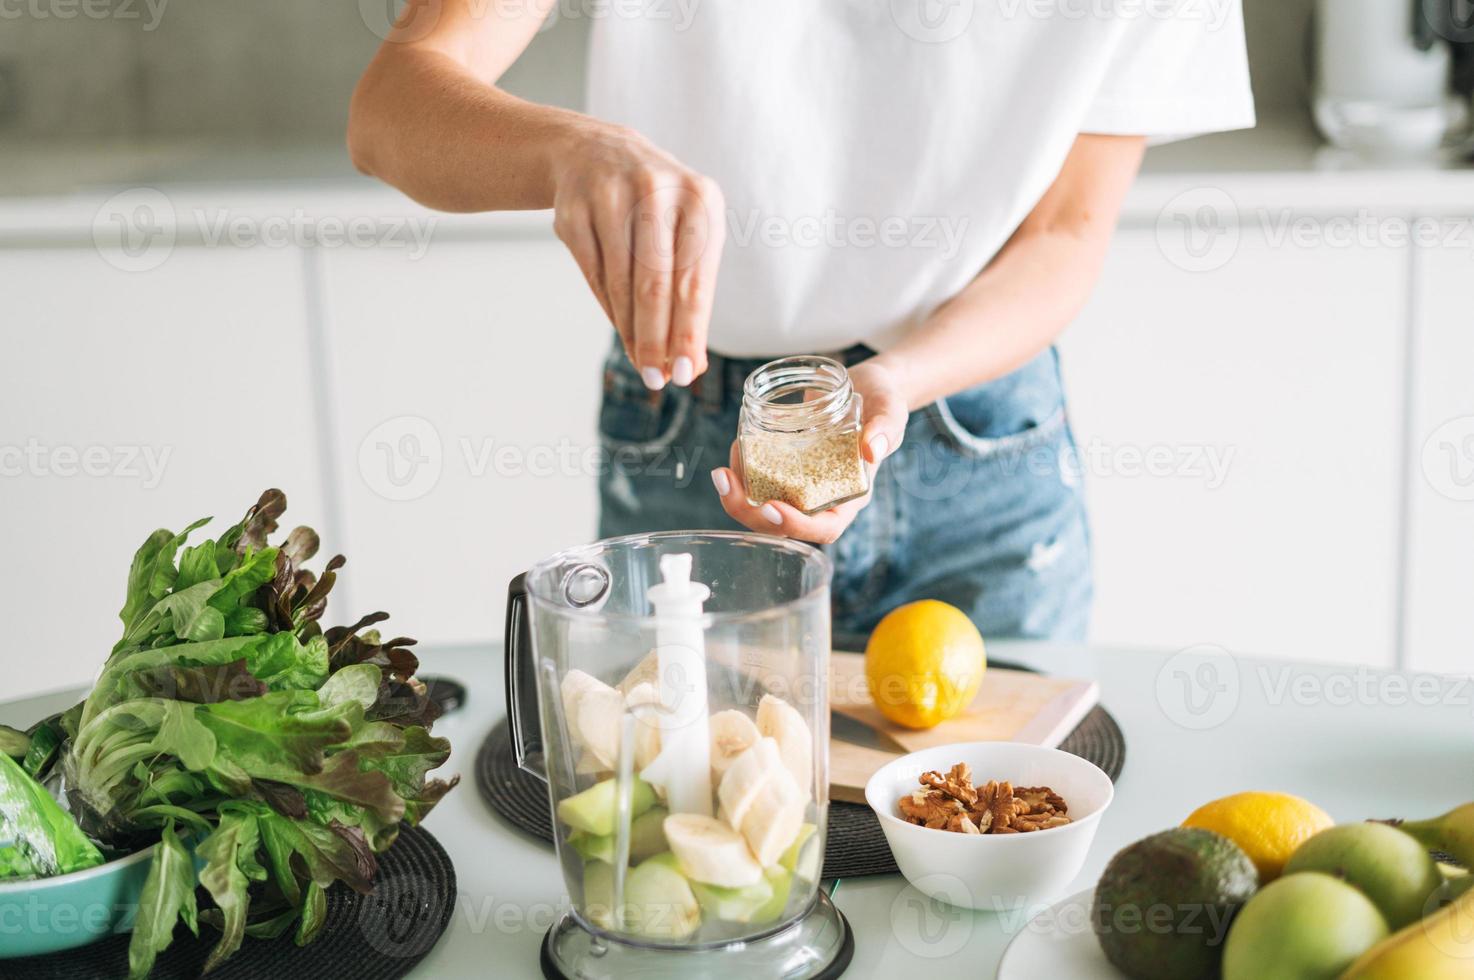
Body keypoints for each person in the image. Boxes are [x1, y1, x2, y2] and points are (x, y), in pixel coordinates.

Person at [349, 0, 1255, 648]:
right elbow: (391, 108)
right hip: (690, 429)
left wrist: (893, 386)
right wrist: (572, 151)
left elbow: (1066, 232)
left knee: (987, 831)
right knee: (686, 834)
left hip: (981, 435)